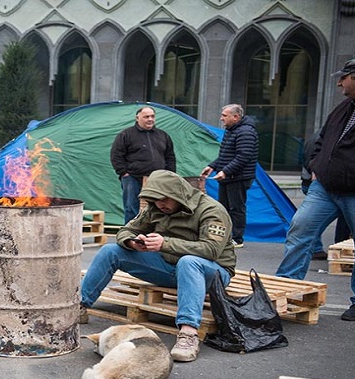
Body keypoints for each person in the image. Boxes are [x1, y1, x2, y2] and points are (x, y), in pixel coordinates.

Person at [276, 58, 355, 321]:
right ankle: (286, 288)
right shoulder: (345, 107)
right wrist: (316, 165)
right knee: (300, 230)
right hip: (325, 187)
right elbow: (322, 138)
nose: (339, 83)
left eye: (343, 78)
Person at [79, 170, 236, 362]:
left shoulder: (211, 210)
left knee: (189, 261)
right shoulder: (155, 207)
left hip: (213, 272)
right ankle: (79, 306)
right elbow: (126, 230)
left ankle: (188, 334)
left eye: (164, 199)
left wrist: (165, 244)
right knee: (110, 250)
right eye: (156, 200)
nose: (161, 204)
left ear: (178, 194)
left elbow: (211, 250)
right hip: (171, 268)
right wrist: (131, 242)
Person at [200, 104, 259, 248]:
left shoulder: (245, 132)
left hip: (238, 178)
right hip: (228, 177)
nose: (221, 119)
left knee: (236, 208)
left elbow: (243, 157)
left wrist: (225, 171)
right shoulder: (231, 130)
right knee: (223, 209)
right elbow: (226, 154)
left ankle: (237, 239)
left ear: (236, 117)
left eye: (224, 116)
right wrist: (212, 166)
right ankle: (223, 237)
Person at [110, 106, 176, 224]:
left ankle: (154, 234)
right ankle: (130, 235)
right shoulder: (126, 134)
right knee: (131, 208)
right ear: (137, 118)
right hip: (133, 178)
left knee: (159, 207)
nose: (150, 119)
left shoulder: (162, 135)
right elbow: (116, 155)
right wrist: (124, 173)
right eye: (146, 117)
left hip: (158, 179)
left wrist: (169, 174)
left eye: (152, 116)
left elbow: (170, 156)